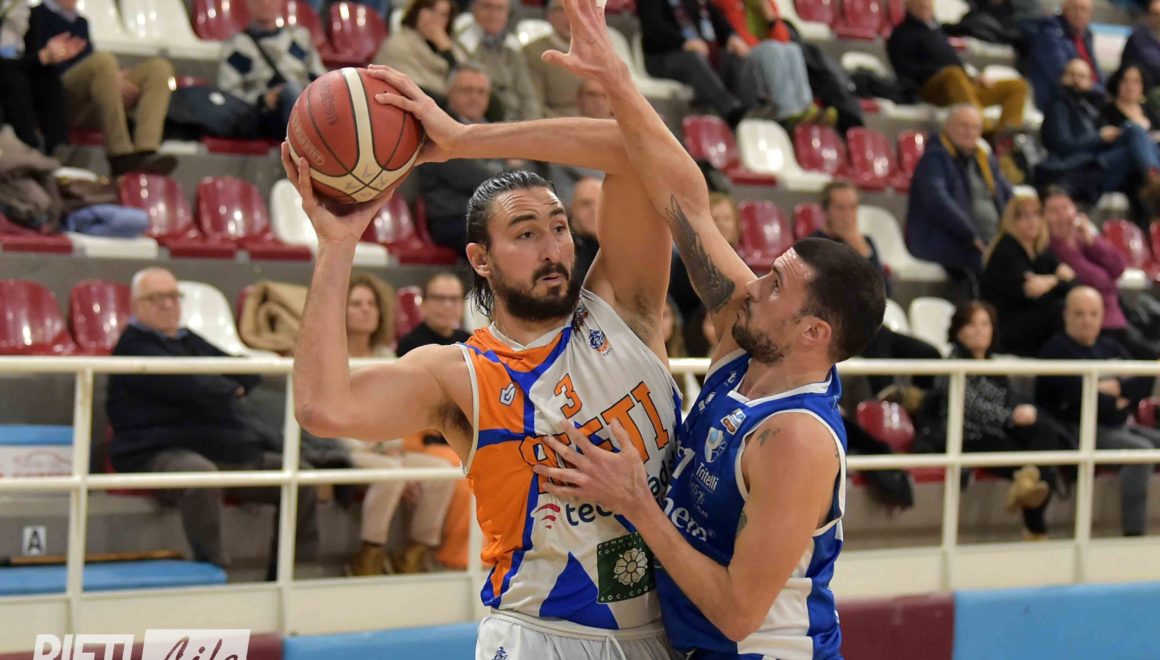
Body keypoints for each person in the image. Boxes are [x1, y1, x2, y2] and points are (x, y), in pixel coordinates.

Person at [288, 54, 682, 655]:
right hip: (543, 638)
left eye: (558, 227)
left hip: (668, 633)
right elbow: (323, 408)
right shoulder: (460, 374)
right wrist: (338, 246)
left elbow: (633, 146)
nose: (552, 248)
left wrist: (462, 140)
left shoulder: (624, 307)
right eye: (525, 234)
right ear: (481, 260)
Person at [525, 1, 885, 656]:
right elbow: (682, 199)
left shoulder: (797, 441)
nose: (754, 284)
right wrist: (615, 78)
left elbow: (736, 613)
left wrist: (637, 502)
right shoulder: (746, 341)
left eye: (775, 286)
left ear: (812, 333)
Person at [106, 268, 318, 577]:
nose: (168, 304)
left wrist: (224, 386)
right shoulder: (133, 347)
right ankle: (213, 570)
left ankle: (289, 574)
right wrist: (226, 387)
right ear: (136, 305)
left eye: (173, 296)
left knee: (301, 476)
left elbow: (244, 372)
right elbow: (193, 388)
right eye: (156, 298)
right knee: (199, 476)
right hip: (159, 449)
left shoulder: (187, 339)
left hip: (221, 446)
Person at [338, 273, 458, 576]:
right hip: (344, 447)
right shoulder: (332, 357)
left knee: (442, 472)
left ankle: (414, 554)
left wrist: (391, 447)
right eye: (356, 304)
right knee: (392, 473)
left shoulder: (386, 356)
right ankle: (369, 555)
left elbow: (394, 410)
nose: (366, 310)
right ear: (341, 310)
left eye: (371, 304)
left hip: (385, 446)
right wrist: (381, 451)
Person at [938, 300, 1075, 539]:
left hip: (1000, 428)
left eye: (985, 324)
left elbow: (1009, 398)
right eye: (972, 325)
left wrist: (1022, 411)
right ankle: (1036, 530)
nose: (980, 331)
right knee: (1040, 471)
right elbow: (970, 407)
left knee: (1044, 433)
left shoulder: (993, 364)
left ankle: (1028, 493)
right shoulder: (951, 365)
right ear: (958, 331)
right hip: (970, 436)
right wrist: (1011, 416)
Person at [1037, 286, 1160, 537]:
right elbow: (1076, 396)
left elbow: (1143, 382)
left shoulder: (1110, 346)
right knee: (1142, 453)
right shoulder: (1055, 350)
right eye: (1079, 313)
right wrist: (1115, 395)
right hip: (1079, 430)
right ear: (1066, 315)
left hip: (1119, 425)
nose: (1087, 320)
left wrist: (1113, 389)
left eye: (1093, 314)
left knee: (1147, 443)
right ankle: (1134, 534)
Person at [816, 182, 941, 392]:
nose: (848, 215)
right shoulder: (815, 244)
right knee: (876, 335)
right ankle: (886, 398)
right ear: (826, 211)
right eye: (841, 208)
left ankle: (921, 407)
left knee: (929, 354)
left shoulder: (865, 243)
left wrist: (860, 248)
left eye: (853, 207)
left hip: (868, 328)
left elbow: (884, 293)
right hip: (836, 329)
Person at [26, 0, 175, 175]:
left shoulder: (81, 22)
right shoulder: (35, 15)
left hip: (91, 101)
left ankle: (146, 150)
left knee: (158, 68)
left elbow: (89, 64)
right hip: (56, 100)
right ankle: (119, 154)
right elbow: (35, 66)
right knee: (103, 61)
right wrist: (109, 79)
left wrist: (113, 80)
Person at [907, 104, 1013, 298]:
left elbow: (1008, 195)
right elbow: (937, 202)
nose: (969, 132)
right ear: (947, 127)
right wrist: (971, 235)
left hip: (987, 239)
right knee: (991, 267)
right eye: (963, 125)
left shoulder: (984, 158)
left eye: (975, 127)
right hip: (948, 240)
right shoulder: (934, 159)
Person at [1042, 186, 1160, 359]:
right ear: (1043, 217)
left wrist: (1092, 241)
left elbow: (1119, 266)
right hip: (1098, 328)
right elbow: (1097, 281)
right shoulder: (1051, 249)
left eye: (1065, 208)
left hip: (1117, 319)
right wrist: (1108, 278)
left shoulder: (1084, 240)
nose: (1062, 216)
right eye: (1054, 211)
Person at [887, 0, 1028, 131]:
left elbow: (955, 61)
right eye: (920, 5)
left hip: (960, 85)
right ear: (908, 7)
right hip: (931, 89)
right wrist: (944, 73)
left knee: (1017, 86)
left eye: (927, 4)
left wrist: (973, 77)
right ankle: (980, 127)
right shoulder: (901, 35)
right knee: (953, 74)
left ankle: (1006, 136)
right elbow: (906, 72)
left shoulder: (936, 30)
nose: (925, 8)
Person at [1041, 59, 1160, 210]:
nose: (1076, 80)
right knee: (1134, 131)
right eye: (1071, 74)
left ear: (1091, 82)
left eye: (1082, 76)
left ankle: (1154, 180)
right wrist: (1099, 138)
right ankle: (1155, 179)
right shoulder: (1060, 105)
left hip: (1107, 165)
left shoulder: (1089, 105)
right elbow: (1062, 146)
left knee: (1138, 140)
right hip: (1085, 169)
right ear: (1062, 78)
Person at [416, 64, 509, 252]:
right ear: (449, 93)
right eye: (467, 90)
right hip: (454, 218)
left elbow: (524, 171)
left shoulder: (495, 130)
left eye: (481, 92)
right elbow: (473, 178)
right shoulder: (438, 130)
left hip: (492, 215)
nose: (475, 97)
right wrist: (509, 171)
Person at [981, 191, 1075, 356]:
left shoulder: (1041, 251)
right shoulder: (1007, 251)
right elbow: (1033, 294)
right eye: (1023, 216)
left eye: (1036, 215)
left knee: (1078, 304)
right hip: (1007, 330)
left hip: (1032, 325)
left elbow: (1074, 284)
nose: (1031, 221)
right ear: (1011, 221)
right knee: (1061, 310)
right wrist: (1059, 280)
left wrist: (1050, 281)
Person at [217, 0, 325, 140]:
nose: (265, 3)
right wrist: (263, 99)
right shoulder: (237, 46)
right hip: (265, 114)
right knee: (290, 91)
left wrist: (307, 92)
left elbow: (320, 77)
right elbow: (229, 96)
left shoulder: (299, 37)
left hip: (304, 103)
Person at [636, 0, 750, 126]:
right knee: (693, 59)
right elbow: (653, 27)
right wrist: (683, 43)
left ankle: (752, 112)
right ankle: (732, 111)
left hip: (699, 56)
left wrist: (731, 36)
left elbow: (715, 17)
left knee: (736, 58)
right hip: (661, 58)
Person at [455, 0, 542, 120]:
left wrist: (532, 124)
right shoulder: (463, 42)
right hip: (486, 119)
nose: (493, 14)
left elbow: (528, 95)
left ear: (507, 13)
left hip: (518, 121)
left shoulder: (513, 45)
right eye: (487, 7)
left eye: (499, 9)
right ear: (474, 9)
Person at [0, 0, 67, 155]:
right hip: (7, 72)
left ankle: (58, 148)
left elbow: (31, 54)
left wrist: (47, 56)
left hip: (17, 67)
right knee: (14, 79)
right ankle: (30, 147)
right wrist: (40, 57)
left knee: (49, 77)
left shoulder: (29, 13)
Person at [374, 0, 464, 100]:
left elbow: (466, 79)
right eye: (430, 10)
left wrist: (447, 51)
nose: (435, 18)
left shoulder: (452, 47)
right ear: (416, 11)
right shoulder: (398, 45)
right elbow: (409, 89)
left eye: (443, 14)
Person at [1028, 0, 1102, 112]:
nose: (1080, 14)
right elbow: (1065, 76)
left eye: (1084, 10)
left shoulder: (1087, 35)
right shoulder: (1050, 32)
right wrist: (1099, 90)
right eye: (1075, 9)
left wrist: (1103, 91)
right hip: (1058, 101)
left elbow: (1095, 71)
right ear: (1064, 10)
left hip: (1088, 98)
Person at [524, 0, 584, 117]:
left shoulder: (597, 50)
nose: (569, 16)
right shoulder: (533, 52)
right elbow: (535, 106)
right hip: (558, 121)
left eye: (575, 9)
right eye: (561, 10)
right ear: (548, 15)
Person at [396, 272, 471, 356]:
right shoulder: (409, 345)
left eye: (454, 298)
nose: (448, 305)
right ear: (423, 303)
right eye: (440, 298)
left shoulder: (469, 342)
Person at [1121, 0, 1160, 114]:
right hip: (1144, 89)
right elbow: (1155, 67)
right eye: (1156, 14)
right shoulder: (1138, 38)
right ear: (1148, 15)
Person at [569, 176, 602, 284]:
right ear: (573, 207)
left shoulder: (615, 248)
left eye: (600, 203)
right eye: (586, 203)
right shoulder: (560, 249)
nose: (594, 210)